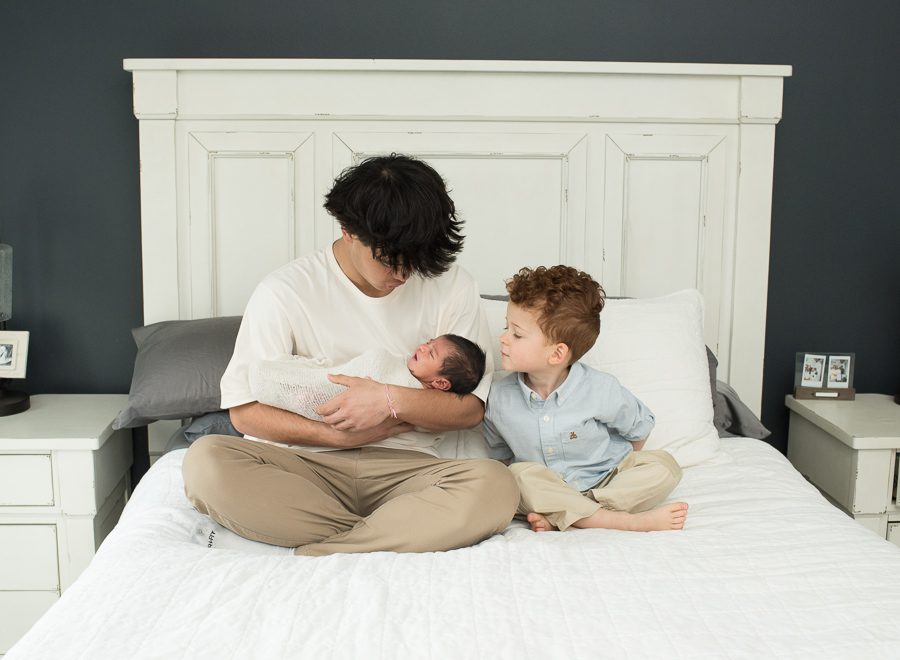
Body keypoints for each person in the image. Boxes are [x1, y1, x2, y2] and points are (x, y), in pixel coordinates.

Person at [181, 154, 518, 556]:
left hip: (410, 473)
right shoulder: (284, 291)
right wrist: (337, 435)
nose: (404, 275)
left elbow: (469, 410)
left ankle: (331, 545)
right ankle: (393, 532)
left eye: (417, 262)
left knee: (496, 486)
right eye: (391, 261)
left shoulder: (453, 286)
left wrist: (388, 400)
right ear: (348, 230)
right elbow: (245, 413)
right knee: (205, 463)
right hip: (306, 472)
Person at [482, 265, 688, 533]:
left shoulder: (600, 388)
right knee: (516, 477)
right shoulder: (499, 398)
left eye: (517, 334)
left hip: (606, 481)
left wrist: (622, 477)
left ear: (557, 354)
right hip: (548, 488)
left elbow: (639, 429)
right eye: (505, 327)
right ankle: (616, 520)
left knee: (664, 466)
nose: (503, 338)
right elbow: (502, 458)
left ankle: (570, 514)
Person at [250, 333, 487, 419]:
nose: (423, 347)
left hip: (341, 396)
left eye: (431, 353)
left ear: (440, 383)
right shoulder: (402, 362)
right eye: (429, 342)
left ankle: (292, 389)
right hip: (338, 377)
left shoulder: (417, 397)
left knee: (315, 392)